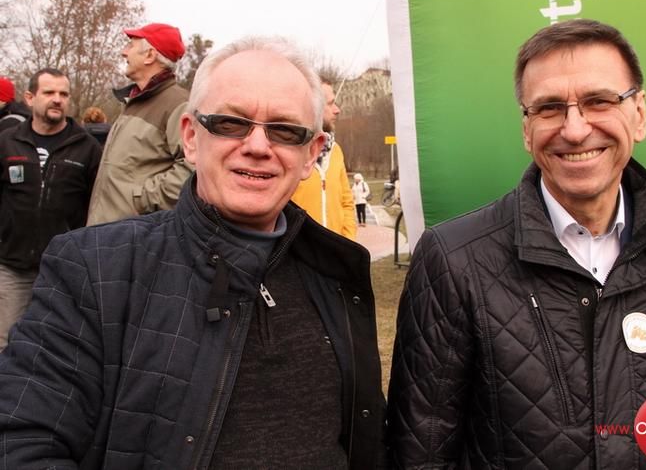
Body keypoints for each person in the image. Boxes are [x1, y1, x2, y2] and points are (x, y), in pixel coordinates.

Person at [0, 37, 385, 469]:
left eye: (284, 130)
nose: (258, 146)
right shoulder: (95, 269)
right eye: (230, 123)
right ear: (190, 138)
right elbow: (21, 441)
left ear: (311, 154)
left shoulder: (337, 276)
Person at [387, 19, 646, 468]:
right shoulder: (453, 260)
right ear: (526, 129)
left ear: (639, 115)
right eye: (550, 108)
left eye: (599, 101)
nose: (575, 129)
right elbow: (420, 455)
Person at [0, 68, 101, 352]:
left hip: (62, 269)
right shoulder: (7, 141)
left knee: (53, 347)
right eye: (49, 92)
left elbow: (95, 205)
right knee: (6, 343)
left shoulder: (88, 148)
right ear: (30, 98)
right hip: (12, 267)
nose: (57, 99)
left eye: (63, 94)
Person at [87, 22, 192, 225]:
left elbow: (193, 168)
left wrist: (141, 200)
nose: (124, 52)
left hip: (135, 235)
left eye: (131, 46)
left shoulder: (179, 104)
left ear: (150, 55)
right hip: (106, 233)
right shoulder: (133, 102)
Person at [291, 76, 356, 240]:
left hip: (335, 250)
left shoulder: (336, 150)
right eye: (330, 103)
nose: (337, 110)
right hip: (299, 252)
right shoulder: (290, 152)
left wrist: (347, 241)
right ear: (314, 108)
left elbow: (347, 202)